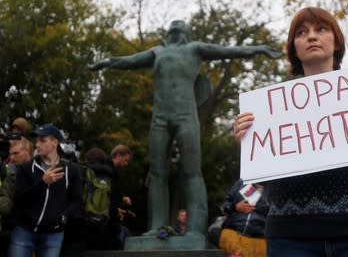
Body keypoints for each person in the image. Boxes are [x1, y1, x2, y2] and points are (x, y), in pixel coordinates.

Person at [233, 7, 348, 257]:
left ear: (336, 42)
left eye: (321, 29)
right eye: (301, 32)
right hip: (291, 240)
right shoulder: (268, 109)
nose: (311, 37)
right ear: (294, 49)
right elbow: (259, 181)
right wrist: (248, 143)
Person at [88, 20, 283, 236]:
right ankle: (156, 227)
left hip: (186, 117)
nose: (174, 30)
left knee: (192, 172)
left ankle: (195, 230)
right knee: (157, 173)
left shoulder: (195, 48)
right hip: (160, 118)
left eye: (178, 28)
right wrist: (106, 62)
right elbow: (130, 61)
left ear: (184, 33)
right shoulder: (157, 51)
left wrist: (258, 49)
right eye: (172, 28)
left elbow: (229, 50)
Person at [8, 123, 83, 257]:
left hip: (53, 234)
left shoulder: (71, 170)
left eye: (42, 141)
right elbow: (18, 198)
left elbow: (77, 200)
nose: (37, 145)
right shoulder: (26, 168)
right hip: (24, 230)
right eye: (37, 141)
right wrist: (43, 183)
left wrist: (63, 217)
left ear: (55, 142)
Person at [218, 179, 268, 257]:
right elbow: (224, 206)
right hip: (233, 235)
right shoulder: (241, 182)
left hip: (259, 241)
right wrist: (235, 207)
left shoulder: (273, 187)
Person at [0, 137, 33, 255]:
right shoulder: (9, 173)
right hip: (16, 227)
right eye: (10, 154)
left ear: (27, 152)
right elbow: (6, 204)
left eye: (16, 153)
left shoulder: (41, 172)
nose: (12, 158)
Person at [104, 144, 132, 250]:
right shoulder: (110, 171)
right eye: (125, 160)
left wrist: (121, 198)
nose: (126, 164)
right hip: (108, 219)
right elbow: (108, 196)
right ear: (118, 155)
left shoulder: (105, 169)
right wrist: (115, 210)